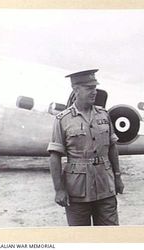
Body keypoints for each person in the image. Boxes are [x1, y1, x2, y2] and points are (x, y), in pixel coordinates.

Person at [47, 69, 124, 226]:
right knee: (80, 238)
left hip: (105, 187)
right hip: (77, 191)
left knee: (110, 236)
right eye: (89, 88)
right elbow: (55, 156)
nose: (94, 92)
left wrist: (117, 177)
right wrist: (59, 189)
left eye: (95, 88)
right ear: (76, 90)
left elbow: (112, 148)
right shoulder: (63, 119)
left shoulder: (104, 115)